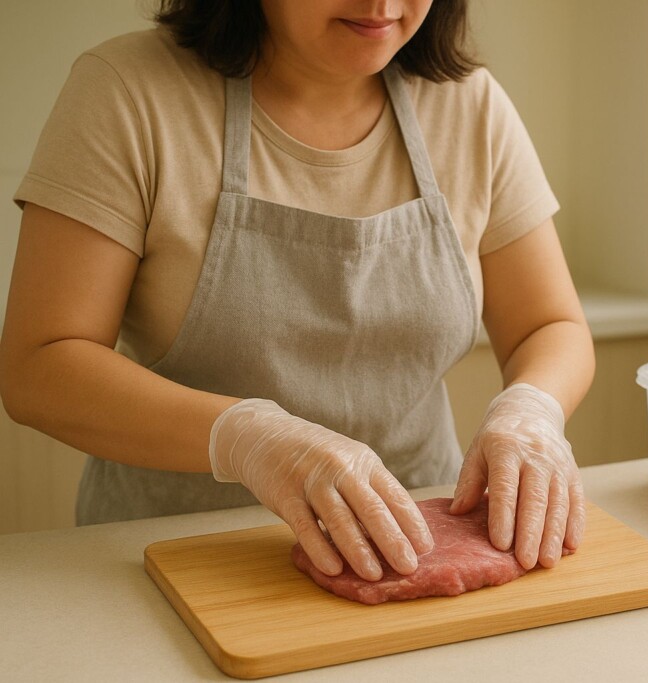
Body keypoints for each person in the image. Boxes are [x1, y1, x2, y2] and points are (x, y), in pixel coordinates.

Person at [0, 0, 594, 582]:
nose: (383, 4)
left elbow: (550, 326)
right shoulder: (128, 92)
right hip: (171, 555)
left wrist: (532, 410)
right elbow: (39, 366)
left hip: (417, 542)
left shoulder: (470, 104)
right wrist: (249, 439)